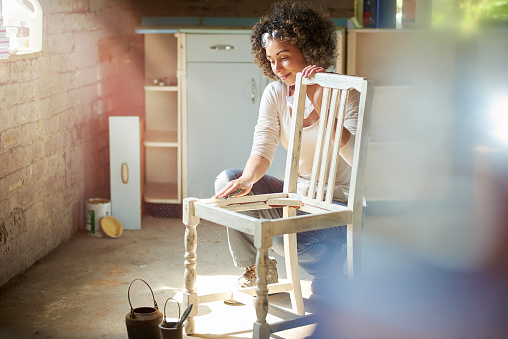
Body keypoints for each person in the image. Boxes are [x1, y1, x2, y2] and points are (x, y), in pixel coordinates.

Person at [213, 0, 361, 299]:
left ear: (310, 50)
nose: (276, 68)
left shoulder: (348, 93)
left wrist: (320, 101)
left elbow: (356, 157)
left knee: (289, 236)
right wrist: (248, 180)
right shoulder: (276, 92)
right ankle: (258, 270)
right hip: (298, 196)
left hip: (337, 207)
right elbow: (264, 145)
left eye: (283, 57)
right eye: (270, 60)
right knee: (227, 180)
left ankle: (332, 273)